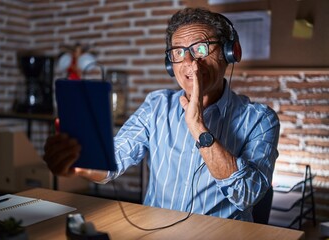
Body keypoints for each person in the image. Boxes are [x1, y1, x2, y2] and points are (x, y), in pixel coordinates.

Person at [44, 7, 280, 222]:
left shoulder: (260, 119)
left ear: (230, 52)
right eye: (178, 52)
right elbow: (113, 161)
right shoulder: (157, 105)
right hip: (158, 232)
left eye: (201, 48)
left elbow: (247, 194)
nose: (190, 62)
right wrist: (80, 164)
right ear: (170, 65)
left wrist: (198, 126)